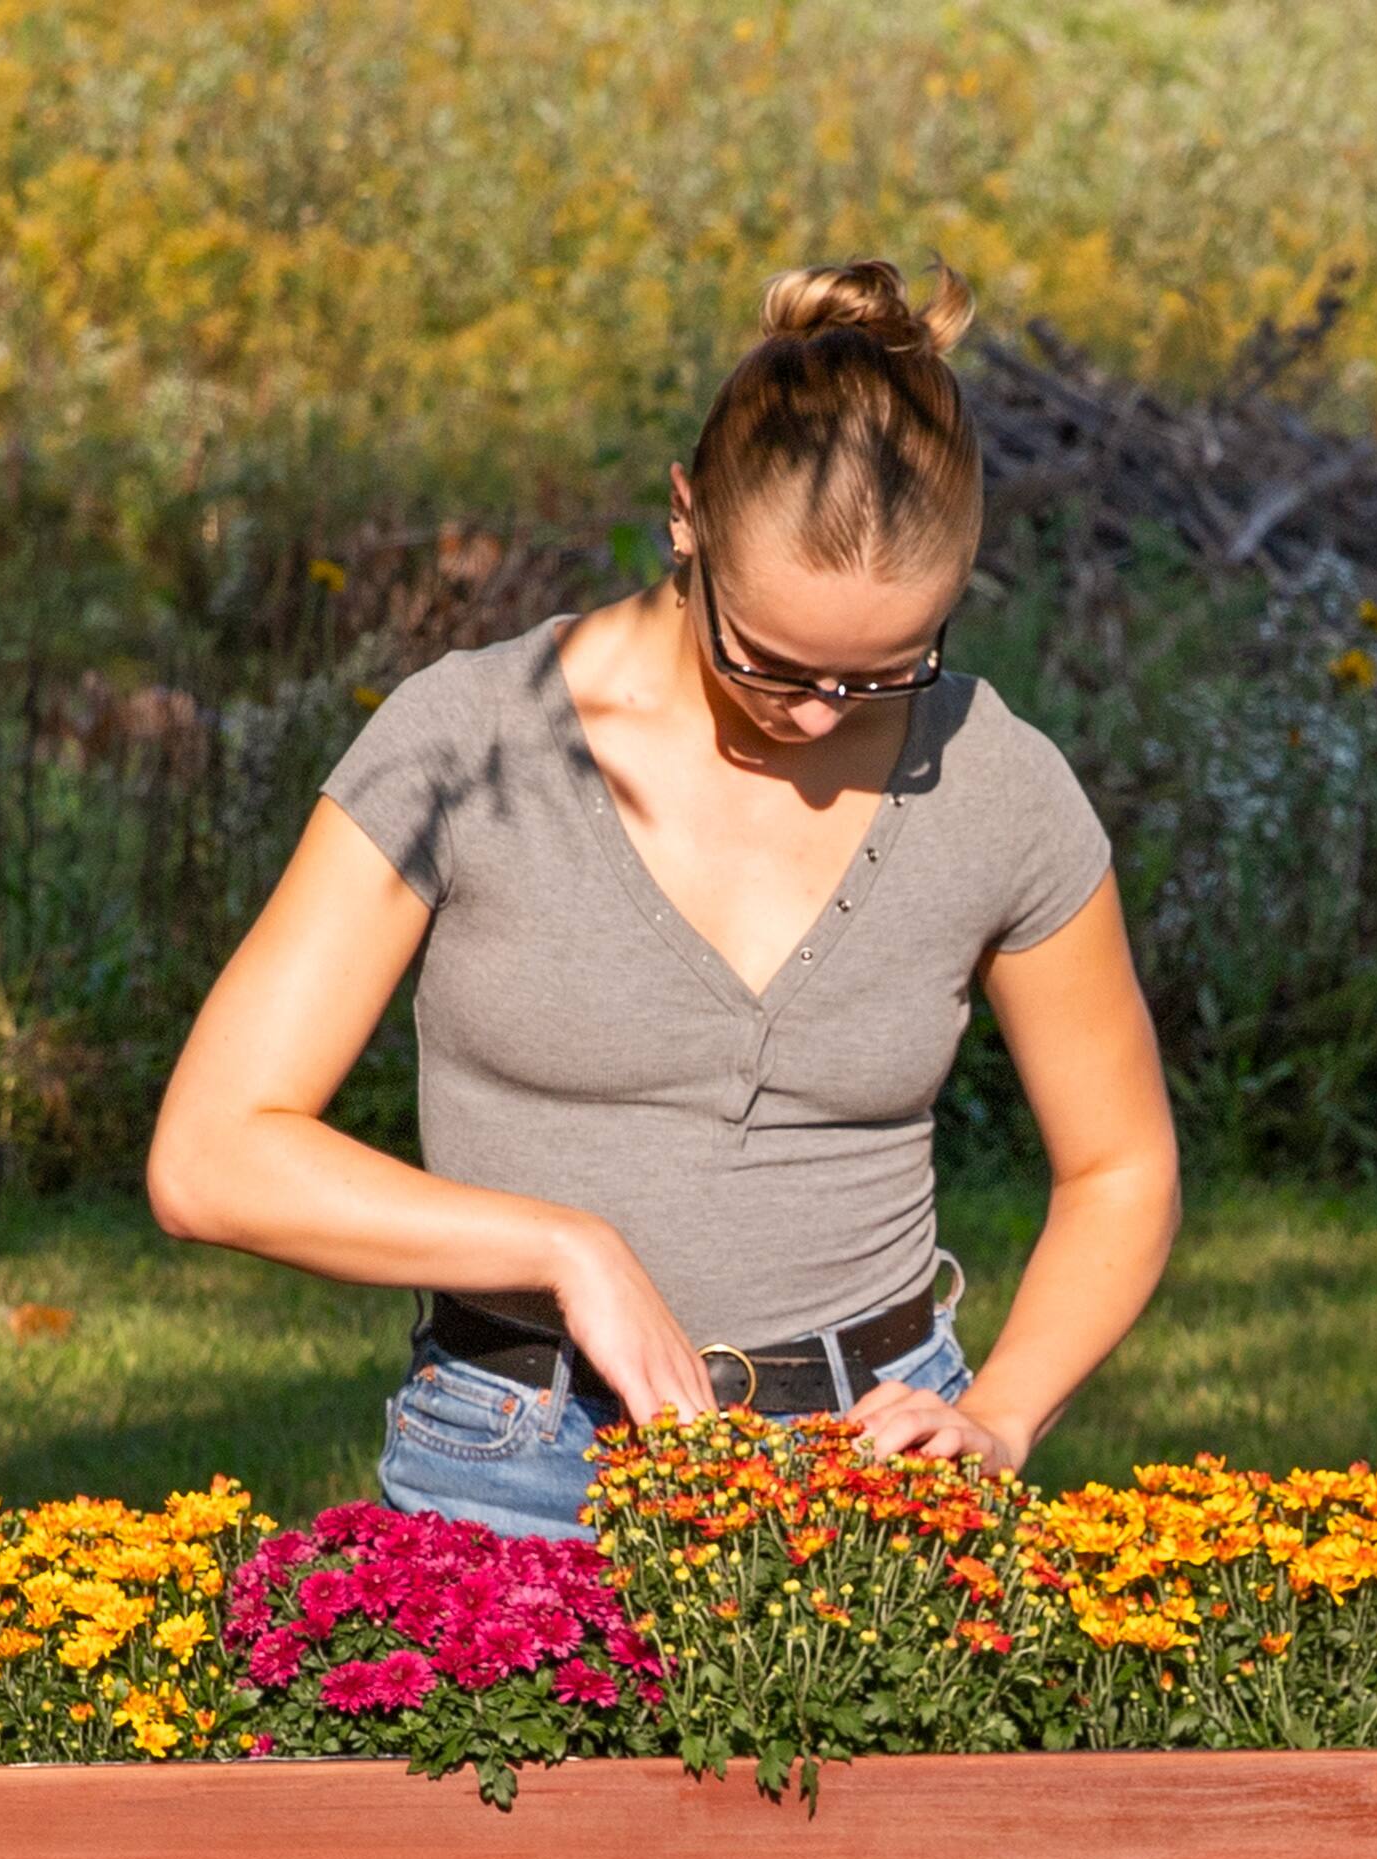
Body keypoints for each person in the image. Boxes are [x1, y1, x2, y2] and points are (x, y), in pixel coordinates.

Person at [147, 257, 1180, 1538]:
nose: (819, 716)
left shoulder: (994, 785)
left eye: (887, 673)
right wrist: (563, 1249)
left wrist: (1003, 1417)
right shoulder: (467, 745)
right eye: (773, 661)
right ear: (684, 515)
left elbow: (1120, 1166)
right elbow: (213, 1154)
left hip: (879, 1472)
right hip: (521, 1462)